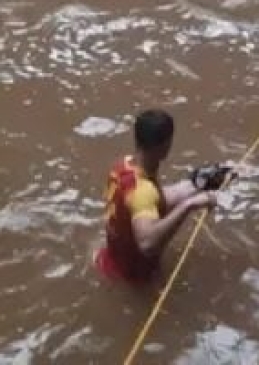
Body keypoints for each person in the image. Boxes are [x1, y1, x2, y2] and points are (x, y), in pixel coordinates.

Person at [94, 108, 230, 282]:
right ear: (165, 146)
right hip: (133, 279)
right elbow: (147, 244)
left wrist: (194, 184)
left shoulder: (124, 166)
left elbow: (149, 201)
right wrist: (189, 205)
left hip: (106, 261)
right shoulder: (143, 191)